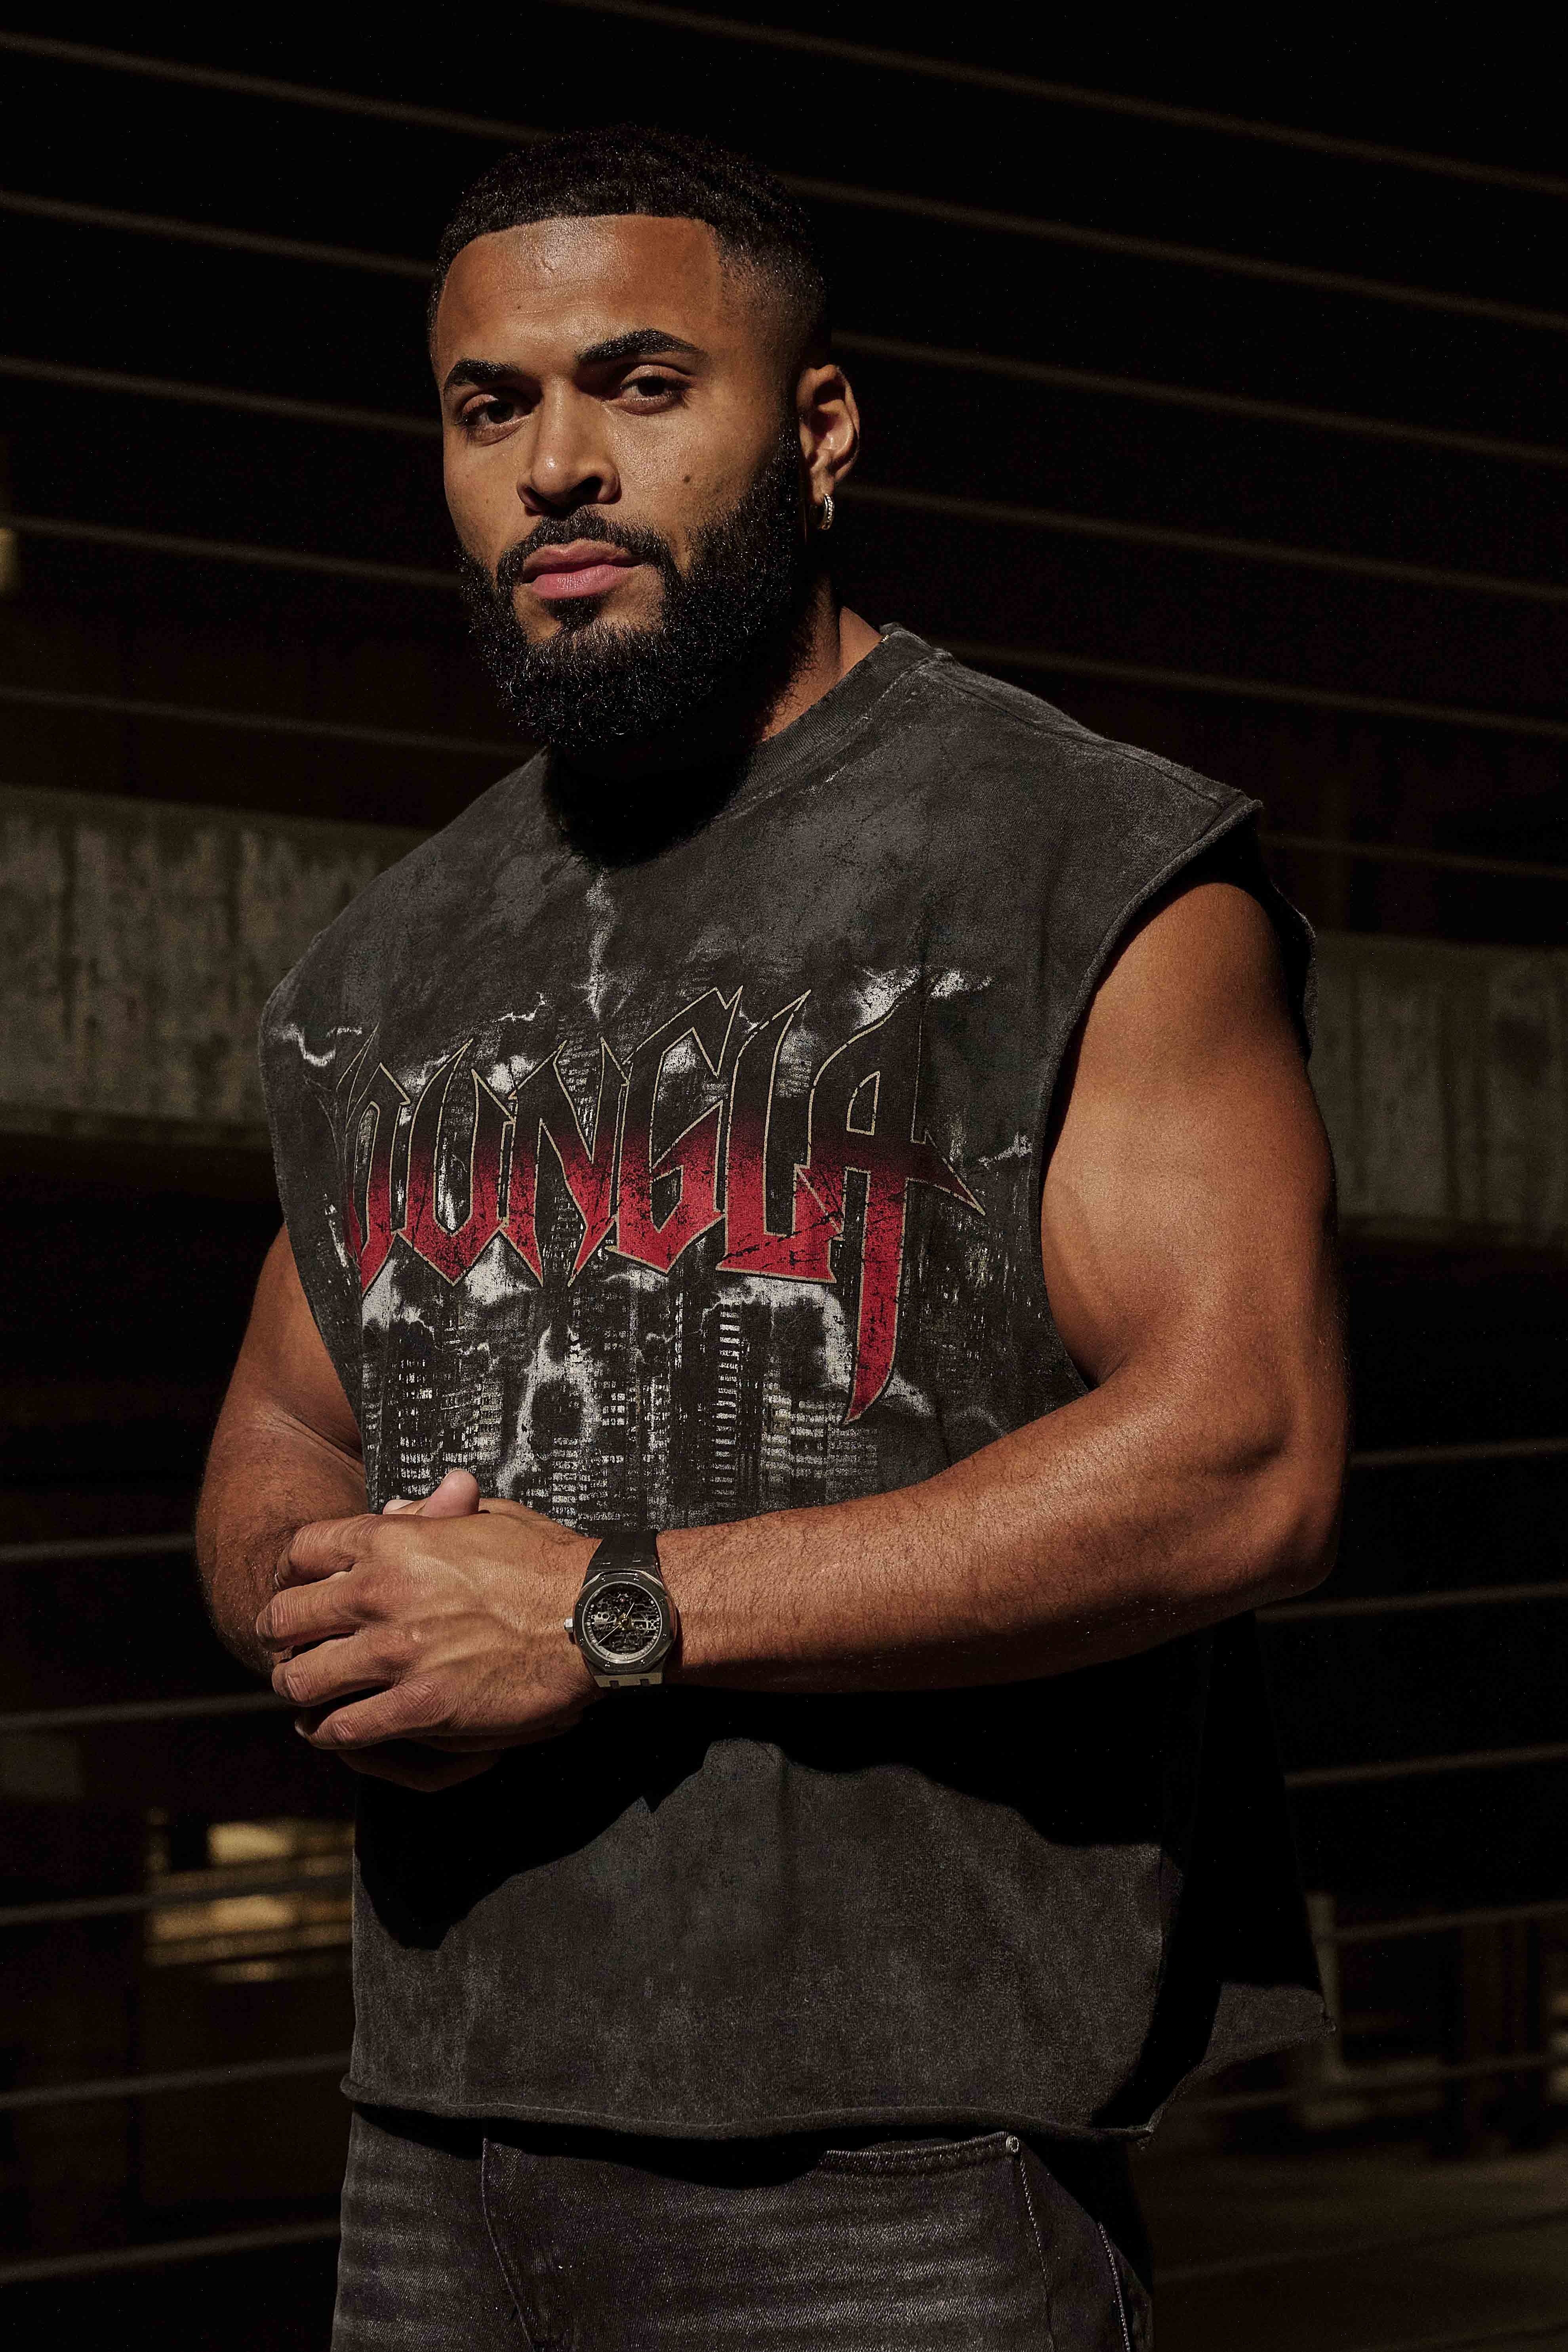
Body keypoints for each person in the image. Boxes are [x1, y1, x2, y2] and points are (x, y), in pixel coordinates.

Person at [196, 126, 1346, 2350]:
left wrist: (605, 1611)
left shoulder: (1077, 862)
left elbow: (1248, 1454)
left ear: (816, 431)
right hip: (429, 2152)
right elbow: (283, 1419)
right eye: (491, 405)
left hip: (896, 2172)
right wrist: (324, 1625)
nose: (556, 462)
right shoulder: (383, 962)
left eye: (641, 385)